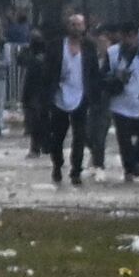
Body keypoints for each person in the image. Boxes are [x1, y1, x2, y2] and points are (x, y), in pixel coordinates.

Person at [46, 14, 94, 187]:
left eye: (79, 24)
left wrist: (93, 94)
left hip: (81, 97)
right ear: (68, 27)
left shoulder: (89, 46)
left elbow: (93, 71)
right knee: (58, 136)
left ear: (84, 27)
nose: (76, 28)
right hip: (60, 96)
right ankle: (57, 165)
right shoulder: (57, 46)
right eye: (73, 24)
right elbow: (48, 70)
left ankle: (76, 171)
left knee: (79, 136)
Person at [107, 24, 139, 181]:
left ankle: (134, 161)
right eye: (126, 35)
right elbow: (103, 76)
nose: (129, 39)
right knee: (124, 139)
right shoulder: (112, 53)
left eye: (133, 35)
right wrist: (116, 78)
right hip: (119, 103)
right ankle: (129, 169)